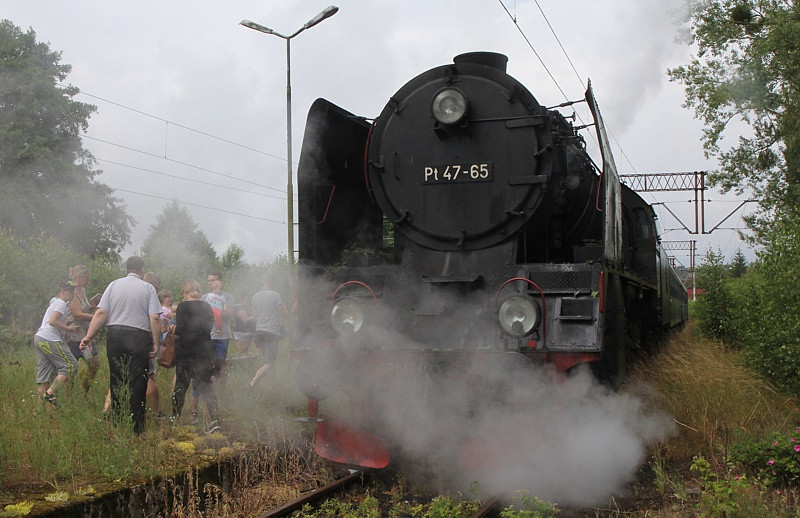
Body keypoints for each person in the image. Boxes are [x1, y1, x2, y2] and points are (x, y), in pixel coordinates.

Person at [80, 257, 161, 436]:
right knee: (138, 381)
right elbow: (155, 318)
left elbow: (101, 312)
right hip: (139, 336)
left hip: (115, 335)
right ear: (142, 270)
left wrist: (88, 336)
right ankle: (136, 429)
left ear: (126, 269)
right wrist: (156, 342)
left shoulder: (113, 285)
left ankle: (117, 423)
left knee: (116, 378)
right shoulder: (148, 288)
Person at [172, 279, 221, 434]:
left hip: (186, 352)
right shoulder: (206, 306)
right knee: (206, 387)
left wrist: (173, 329)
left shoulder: (182, 307)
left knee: (181, 386)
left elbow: (182, 329)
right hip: (204, 351)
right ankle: (215, 421)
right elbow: (208, 328)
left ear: (185, 291)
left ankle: (174, 421)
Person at [35, 281, 80, 404]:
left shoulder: (55, 303)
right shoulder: (61, 303)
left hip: (40, 338)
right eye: (71, 291)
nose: (73, 294)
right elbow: (52, 321)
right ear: (63, 292)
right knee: (71, 365)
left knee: (44, 377)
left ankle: (39, 412)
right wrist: (69, 328)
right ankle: (49, 394)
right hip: (49, 338)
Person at [64, 265, 100, 393]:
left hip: (85, 334)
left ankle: (84, 392)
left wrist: (93, 308)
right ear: (79, 276)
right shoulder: (72, 292)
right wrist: (97, 317)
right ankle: (70, 397)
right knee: (72, 370)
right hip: (73, 335)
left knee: (94, 364)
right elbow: (77, 314)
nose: (88, 279)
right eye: (86, 277)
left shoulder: (82, 291)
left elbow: (83, 312)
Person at [248, 274, 288, 389]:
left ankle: (273, 387)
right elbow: (283, 313)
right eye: (274, 282)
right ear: (271, 281)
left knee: (269, 361)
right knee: (270, 362)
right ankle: (252, 383)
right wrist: (286, 313)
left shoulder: (255, 296)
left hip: (259, 332)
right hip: (271, 332)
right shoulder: (275, 295)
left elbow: (255, 316)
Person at [201, 271, 235, 388]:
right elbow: (200, 315)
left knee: (221, 361)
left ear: (219, 282)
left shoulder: (228, 297)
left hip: (222, 335)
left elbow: (230, 314)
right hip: (208, 334)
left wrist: (218, 311)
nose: (210, 283)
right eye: (209, 281)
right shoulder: (205, 297)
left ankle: (222, 388)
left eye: (213, 280)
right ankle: (209, 387)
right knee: (208, 361)